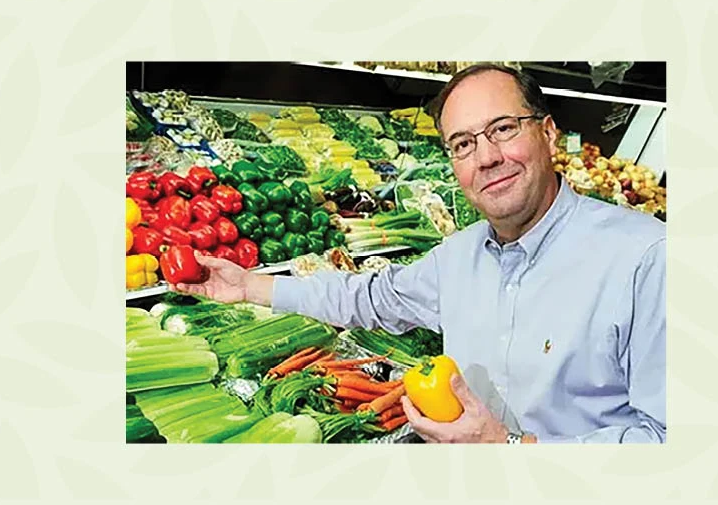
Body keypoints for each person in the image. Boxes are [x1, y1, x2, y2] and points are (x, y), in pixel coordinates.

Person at [172, 64, 666, 444]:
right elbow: (371, 298)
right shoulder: (460, 256)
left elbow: (668, 440)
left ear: (549, 132)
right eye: (463, 143)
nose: (487, 157)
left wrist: (511, 447)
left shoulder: (645, 259)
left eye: (504, 129)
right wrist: (249, 286)